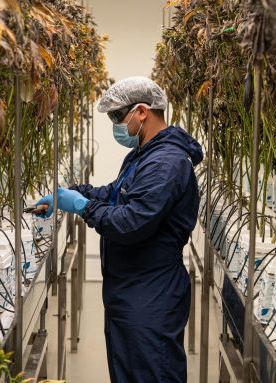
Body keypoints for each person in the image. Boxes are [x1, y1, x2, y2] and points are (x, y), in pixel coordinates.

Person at [36, 76, 203, 383]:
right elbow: (115, 193)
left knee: (152, 373)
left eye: (116, 116)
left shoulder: (165, 162)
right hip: (131, 287)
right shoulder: (144, 153)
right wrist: (71, 194)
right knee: (128, 372)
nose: (115, 124)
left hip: (151, 291)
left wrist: (83, 207)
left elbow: (131, 223)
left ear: (141, 112)